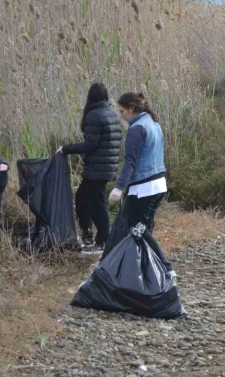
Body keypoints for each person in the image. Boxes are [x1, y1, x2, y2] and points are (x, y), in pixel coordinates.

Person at [107, 91, 173, 271]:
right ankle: (146, 269)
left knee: (139, 229)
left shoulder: (137, 129)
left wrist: (119, 187)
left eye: (122, 111)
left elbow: (130, 162)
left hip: (144, 187)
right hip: (159, 184)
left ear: (131, 108)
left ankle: (166, 268)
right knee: (146, 228)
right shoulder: (153, 123)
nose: (121, 116)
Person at [56, 82, 122, 254]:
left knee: (96, 204)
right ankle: (89, 236)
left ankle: (101, 241)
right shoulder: (113, 113)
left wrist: (66, 149)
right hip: (107, 167)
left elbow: (90, 144)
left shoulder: (95, 114)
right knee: (83, 200)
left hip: (97, 169)